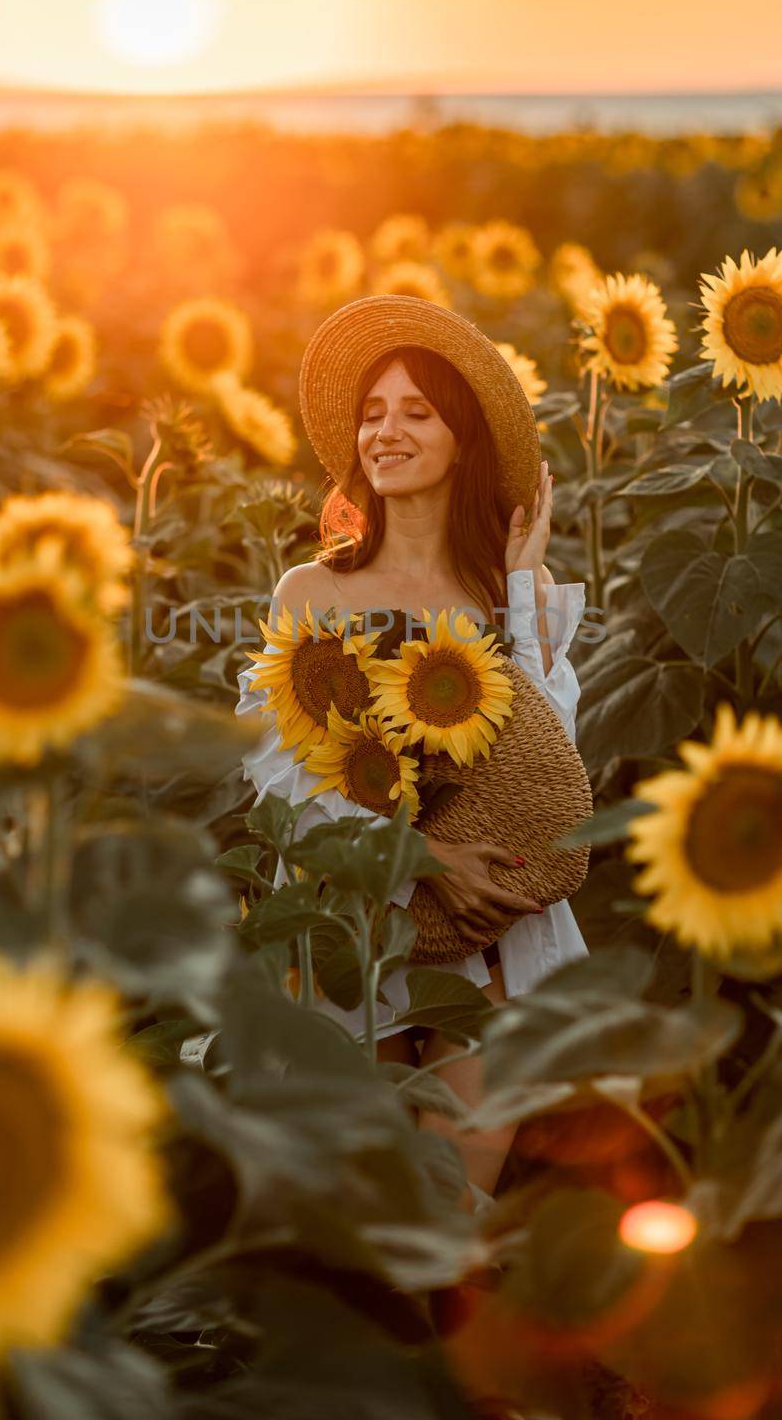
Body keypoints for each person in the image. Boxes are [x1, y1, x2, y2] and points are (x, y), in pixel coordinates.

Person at [234, 293, 590, 1210]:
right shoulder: (314, 589)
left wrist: (518, 590)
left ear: (462, 439)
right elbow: (278, 777)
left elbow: (551, 761)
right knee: (363, 1204)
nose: (384, 432)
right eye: (371, 414)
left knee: (450, 1206)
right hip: (362, 920)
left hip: (496, 933)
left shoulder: (512, 587)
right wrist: (425, 858)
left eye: (415, 413)